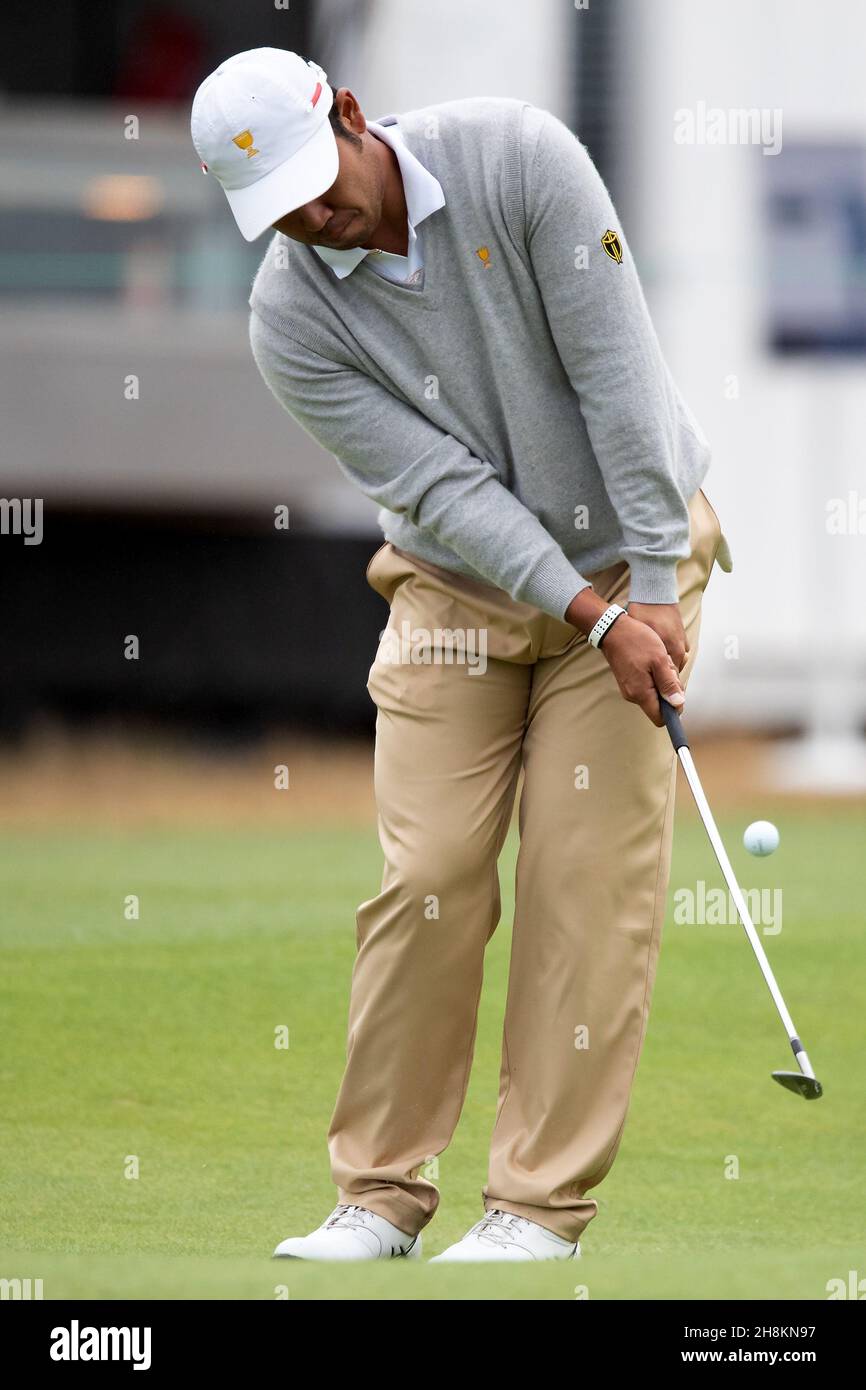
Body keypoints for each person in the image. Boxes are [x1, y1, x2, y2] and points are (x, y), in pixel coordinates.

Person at [190, 47, 732, 1263]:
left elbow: (620, 385)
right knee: (427, 869)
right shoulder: (288, 316)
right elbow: (441, 486)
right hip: (452, 588)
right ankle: (378, 1195)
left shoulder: (517, 158)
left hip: (631, 554)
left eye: (313, 182)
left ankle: (535, 1205)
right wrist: (588, 618)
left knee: (580, 882)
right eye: (273, 208)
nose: (309, 220)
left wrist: (646, 594)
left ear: (347, 109)